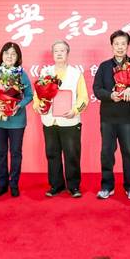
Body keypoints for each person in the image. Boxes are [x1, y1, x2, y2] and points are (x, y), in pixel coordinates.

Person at [92, 30, 130, 200]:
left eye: (123, 43)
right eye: (116, 44)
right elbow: (97, 89)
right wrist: (110, 95)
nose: (120, 47)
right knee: (107, 153)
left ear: (128, 45)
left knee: (129, 152)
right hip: (108, 117)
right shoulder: (104, 66)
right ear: (112, 46)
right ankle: (107, 186)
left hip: (128, 117)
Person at [34, 40, 88, 198]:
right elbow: (38, 94)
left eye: (62, 51)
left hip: (70, 120)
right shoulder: (45, 72)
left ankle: (73, 186)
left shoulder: (76, 74)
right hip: (49, 120)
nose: (59, 53)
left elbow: (83, 97)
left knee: (72, 154)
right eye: (56, 51)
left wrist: (75, 110)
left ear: (67, 53)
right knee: (52, 154)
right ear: (52, 54)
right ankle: (56, 185)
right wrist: (37, 105)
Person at [0, 42, 33, 197]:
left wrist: (19, 105)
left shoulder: (22, 74)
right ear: (2, 55)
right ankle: (2, 184)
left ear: (18, 57)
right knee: (1, 152)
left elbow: (29, 95)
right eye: (6, 53)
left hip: (17, 120)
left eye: (13, 54)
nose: (9, 57)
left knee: (16, 152)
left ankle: (14, 184)